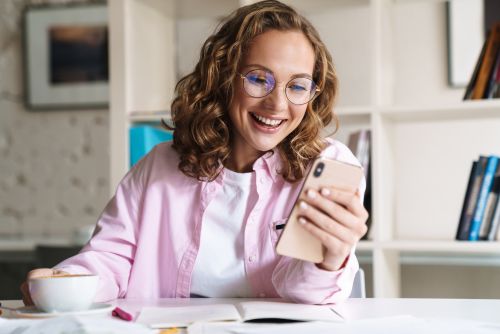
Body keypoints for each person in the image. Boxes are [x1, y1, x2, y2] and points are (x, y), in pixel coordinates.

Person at [21, 0, 368, 305]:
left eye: (297, 86)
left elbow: (302, 293)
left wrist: (330, 259)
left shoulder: (327, 167)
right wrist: (67, 283)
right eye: (259, 79)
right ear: (223, 77)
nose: (278, 103)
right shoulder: (159, 166)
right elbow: (112, 257)